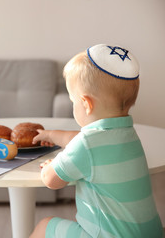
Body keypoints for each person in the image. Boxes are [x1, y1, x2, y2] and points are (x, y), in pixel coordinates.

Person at [30, 44, 163, 238]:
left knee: (45, 226)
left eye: (73, 101)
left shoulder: (87, 143)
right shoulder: (127, 134)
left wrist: (52, 165)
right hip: (151, 233)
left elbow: (52, 180)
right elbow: (81, 142)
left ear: (86, 103)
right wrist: (51, 135)